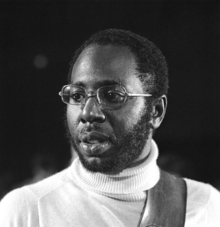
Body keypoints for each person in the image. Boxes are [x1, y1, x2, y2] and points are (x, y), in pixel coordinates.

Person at [0, 29, 220, 227]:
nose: (88, 113)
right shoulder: (27, 210)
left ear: (156, 111)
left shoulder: (205, 206)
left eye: (112, 95)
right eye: (77, 96)